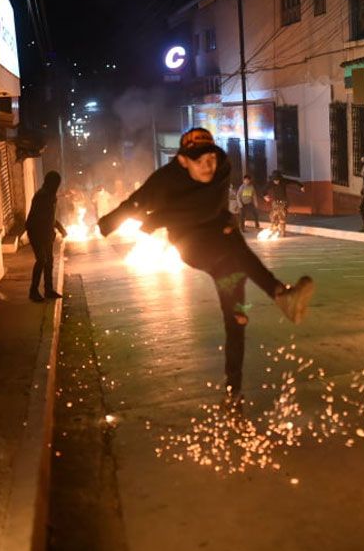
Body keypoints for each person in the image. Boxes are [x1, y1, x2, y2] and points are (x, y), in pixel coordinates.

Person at [97, 127, 315, 402]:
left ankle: (233, 390)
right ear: (183, 160)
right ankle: (281, 295)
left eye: (210, 158)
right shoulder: (164, 179)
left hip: (223, 239)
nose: (208, 166)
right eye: (199, 161)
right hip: (193, 244)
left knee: (236, 318)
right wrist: (107, 223)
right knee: (234, 247)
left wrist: (158, 218)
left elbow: (205, 206)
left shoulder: (222, 166)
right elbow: (136, 202)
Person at [26, 171, 67, 302]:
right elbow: (39, 218)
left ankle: (48, 290)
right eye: (56, 183)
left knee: (49, 260)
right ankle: (33, 291)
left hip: (46, 233)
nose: (57, 186)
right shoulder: (42, 196)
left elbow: (51, 217)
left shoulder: (51, 196)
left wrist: (59, 228)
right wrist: (51, 231)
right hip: (36, 232)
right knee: (41, 260)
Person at [264, 170, 305, 237]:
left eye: (277, 180)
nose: (276, 182)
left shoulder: (284, 181)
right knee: (273, 216)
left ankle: (283, 232)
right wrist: (265, 196)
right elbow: (264, 189)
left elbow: (294, 181)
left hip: (283, 202)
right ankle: (274, 229)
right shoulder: (271, 183)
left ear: (280, 179)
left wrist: (301, 186)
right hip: (275, 202)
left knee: (281, 216)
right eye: (275, 181)